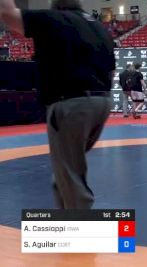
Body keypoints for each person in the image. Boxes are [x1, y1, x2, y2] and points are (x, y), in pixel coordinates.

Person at [0, 0, 115, 208]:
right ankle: (65, 220)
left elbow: (6, 13)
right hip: (102, 101)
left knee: (70, 176)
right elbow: (111, 68)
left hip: (71, 103)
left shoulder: (52, 19)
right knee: (64, 172)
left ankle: (80, 232)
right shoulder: (97, 25)